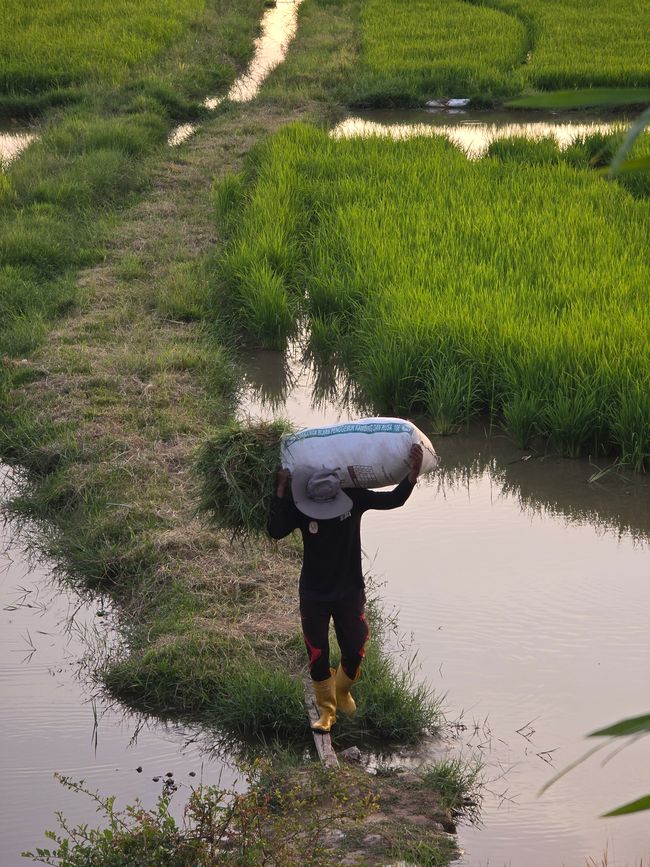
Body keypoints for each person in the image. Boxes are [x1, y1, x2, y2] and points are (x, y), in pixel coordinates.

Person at [267, 443, 424, 733]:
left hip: (349, 590)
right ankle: (326, 712)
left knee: (356, 648)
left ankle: (342, 691)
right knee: (317, 653)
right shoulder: (301, 505)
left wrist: (412, 475)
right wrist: (280, 490)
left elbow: (392, 500)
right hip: (314, 592)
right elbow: (275, 530)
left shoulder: (353, 498)